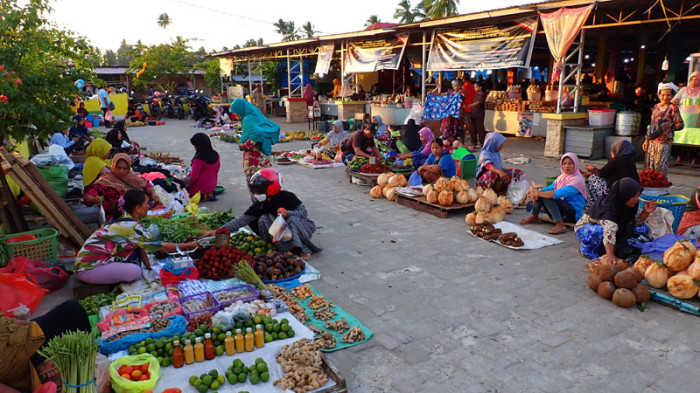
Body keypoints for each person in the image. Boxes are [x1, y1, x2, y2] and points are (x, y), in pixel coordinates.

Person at [76, 189, 198, 284]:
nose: (148, 206)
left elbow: (141, 246)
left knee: (135, 265)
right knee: (135, 271)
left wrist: (149, 267)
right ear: (138, 208)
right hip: (88, 269)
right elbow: (158, 246)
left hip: (90, 264)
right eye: (146, 203)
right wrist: (187, 246)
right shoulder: (129, 225)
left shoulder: (127, 218)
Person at [211, 169, 321, 259]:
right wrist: (219, 231)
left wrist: (288, 213)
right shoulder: (261, 204)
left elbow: (303, 213)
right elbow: (242, 220)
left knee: (292, 219)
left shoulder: (288, 197)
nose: (256, 194)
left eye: (258, 191)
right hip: (283, 233)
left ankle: (302, 249)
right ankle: (283, 247)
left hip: (302, 228)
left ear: (271, 188)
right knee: (262, 218)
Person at [0, 300, 90, 392]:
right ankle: (82, 376)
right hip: (12, 359)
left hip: (16, 339)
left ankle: (76, 374)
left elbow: (8, 323)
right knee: (73, 310)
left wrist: (33, 325)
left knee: (68, 314)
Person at [575, 178, 656, 264]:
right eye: (633, 196)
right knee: (599, 232)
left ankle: (606, 247)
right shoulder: (608, 207)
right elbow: (609, 231)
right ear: (624, 194)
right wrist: (610, 255)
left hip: (614, 229)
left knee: (643, 228)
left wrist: (645, 212)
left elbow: (636, 222)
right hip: (587, 228)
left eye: (638, 195)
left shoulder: (630, 204)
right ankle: (587, 248)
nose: (636, 199)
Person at [520, 153, 587, 234]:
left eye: (570, 163)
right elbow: (550, 188)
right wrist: (536, 193)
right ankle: (534, 215)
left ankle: (560, 224)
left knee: (546, 195)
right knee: (543, 192)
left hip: (572, 214)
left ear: (575, 165)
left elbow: (557, 193)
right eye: (564, 163)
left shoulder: (577, 180)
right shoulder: (561, 177)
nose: (567, 166)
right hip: (562, 210)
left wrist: (538, 193)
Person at [83, 153, 161, 221]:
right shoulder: (105, 181)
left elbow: (146, 184)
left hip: (139, 213)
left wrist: (153, 194)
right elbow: (88, 197)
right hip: (118, 218)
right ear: (113, 166)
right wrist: (94, 199)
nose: (121, 171)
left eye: (125, 168)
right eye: (118, 167)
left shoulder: (132, 177)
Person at [229, 98, 280, 200]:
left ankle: (258, 210)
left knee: (255, 188)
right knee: (266, 186)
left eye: (236, 113)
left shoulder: (247, 119)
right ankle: (268, 208)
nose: (235, 116)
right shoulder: (254, 114)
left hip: (254, 162)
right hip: (264, 160)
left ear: (241, 110)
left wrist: (244, 145)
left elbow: (257, 134)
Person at [584, 140, 639, 209]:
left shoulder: (616, 160)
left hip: (617, 193)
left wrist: (593, 169)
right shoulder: (631, 162)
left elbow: (601, 173)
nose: (611, 153)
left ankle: (597, 205)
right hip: (632, 192)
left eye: (612, 150)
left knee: (594, 178)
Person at [643, 83, 684, 175]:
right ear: (658, 95)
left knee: (660, 167)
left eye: (668, 95)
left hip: (664, 142)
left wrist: (668, 127)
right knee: (650, 167)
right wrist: (647, 140)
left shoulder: (673, 108)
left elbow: (680, 124)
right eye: (663, 95)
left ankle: (660, 187)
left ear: (672, 96)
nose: (665, 97)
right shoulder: (656, 107)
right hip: (653, 140)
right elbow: (652, 125)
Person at [188, 133, 220, 202]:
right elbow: (216, 170)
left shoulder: (199, 159)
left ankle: (203, 195)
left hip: (200, 189)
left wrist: (185, 183)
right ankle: (209, 194)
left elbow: (194, 176)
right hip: (212, 187)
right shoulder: (215, 154)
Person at [466, 81, 487, 149]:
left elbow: (477, 103)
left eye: (476, 87)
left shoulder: (483, 94)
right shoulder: (477, 94)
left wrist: (468, 106)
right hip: (473, 112)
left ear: (480, 87)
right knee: (472, 128)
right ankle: (474, 142)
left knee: (480, 129)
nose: (475, 88)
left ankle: (482, 143)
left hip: (479, 113)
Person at [461, 78, 476, 145]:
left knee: (466, 123)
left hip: (466, 107)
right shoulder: (473, 86)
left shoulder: (463, 87)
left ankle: (471, 136)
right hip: (472, 106)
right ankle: (471, 136)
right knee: (468, 123)